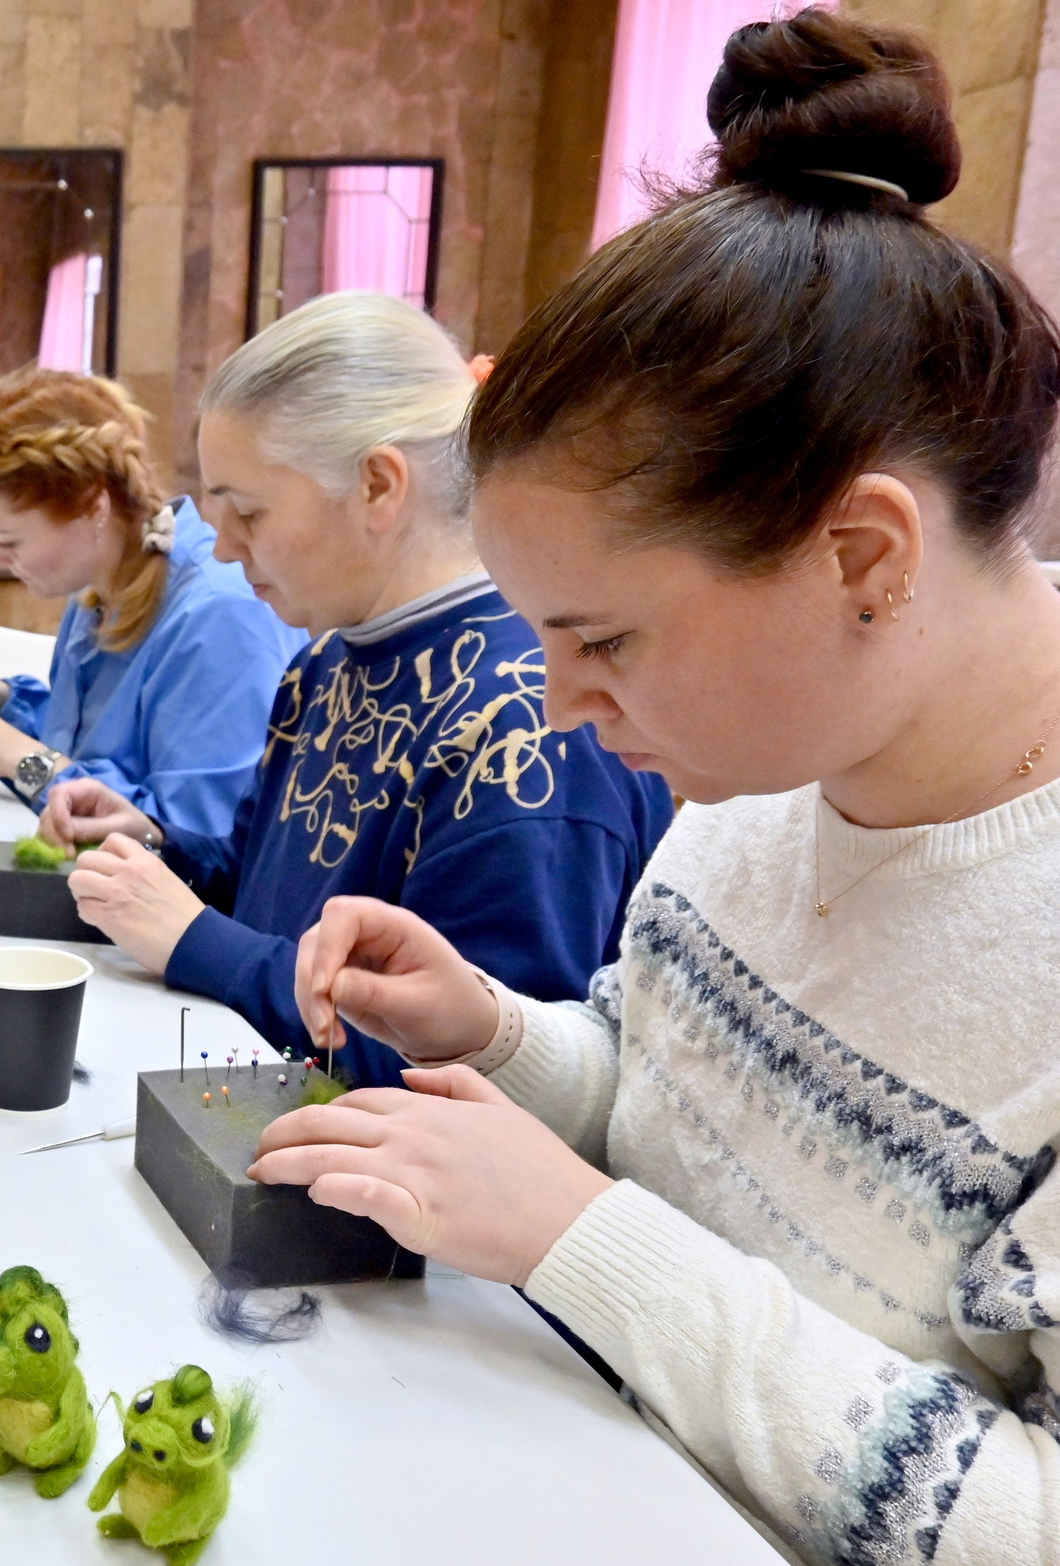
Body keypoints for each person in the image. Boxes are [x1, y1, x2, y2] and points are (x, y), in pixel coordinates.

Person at [262, 19, 1060, 1566]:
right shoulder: (763, 776)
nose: (560, 700)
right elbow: (668, 1092)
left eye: (604, 634)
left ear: (863, 551)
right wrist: (495, 1033)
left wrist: (587, 1240)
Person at [40, 293, 671, 1090]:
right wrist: (166, 852)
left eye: (250, 511)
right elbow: (266, 892)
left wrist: (196, 939)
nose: (226, 549)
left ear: (378, 485)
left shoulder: (523, 724)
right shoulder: (328, 661)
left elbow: (472, 1077)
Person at [0, 369, 303, 837]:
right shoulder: (97, 587)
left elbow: (192, 842)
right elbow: (87, 752)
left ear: (93, 506)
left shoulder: (220, 617)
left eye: (8, 539)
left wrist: (22, 758)